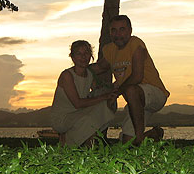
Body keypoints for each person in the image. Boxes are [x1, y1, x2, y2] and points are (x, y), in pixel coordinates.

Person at [96, 15, 169, 145]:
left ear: (130, 30)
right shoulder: (109, 50)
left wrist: (116, 93)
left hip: (154, 93)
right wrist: (74, 71)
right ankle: (154, 134)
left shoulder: (136, 44)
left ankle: (139, 136)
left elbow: (137, 76)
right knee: (128, 143)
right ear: (110, 32)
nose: (118, 34)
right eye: (114, 30)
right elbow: (98, 68)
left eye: (122, 29)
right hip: (135, 102)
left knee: (131, 90)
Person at [50, 40, 117, 146]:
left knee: (104, 107)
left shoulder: (89, 74)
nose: (83, 57)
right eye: (79, 54)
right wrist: (104, 97)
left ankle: (88, 144)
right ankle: (68, 141)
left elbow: (98, 92)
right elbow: (78, 103)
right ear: (72, 57)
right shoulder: (67, 75)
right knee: (92, 116)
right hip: (63, 118)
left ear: (90, 55)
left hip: (78, 114)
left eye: (86, 53)